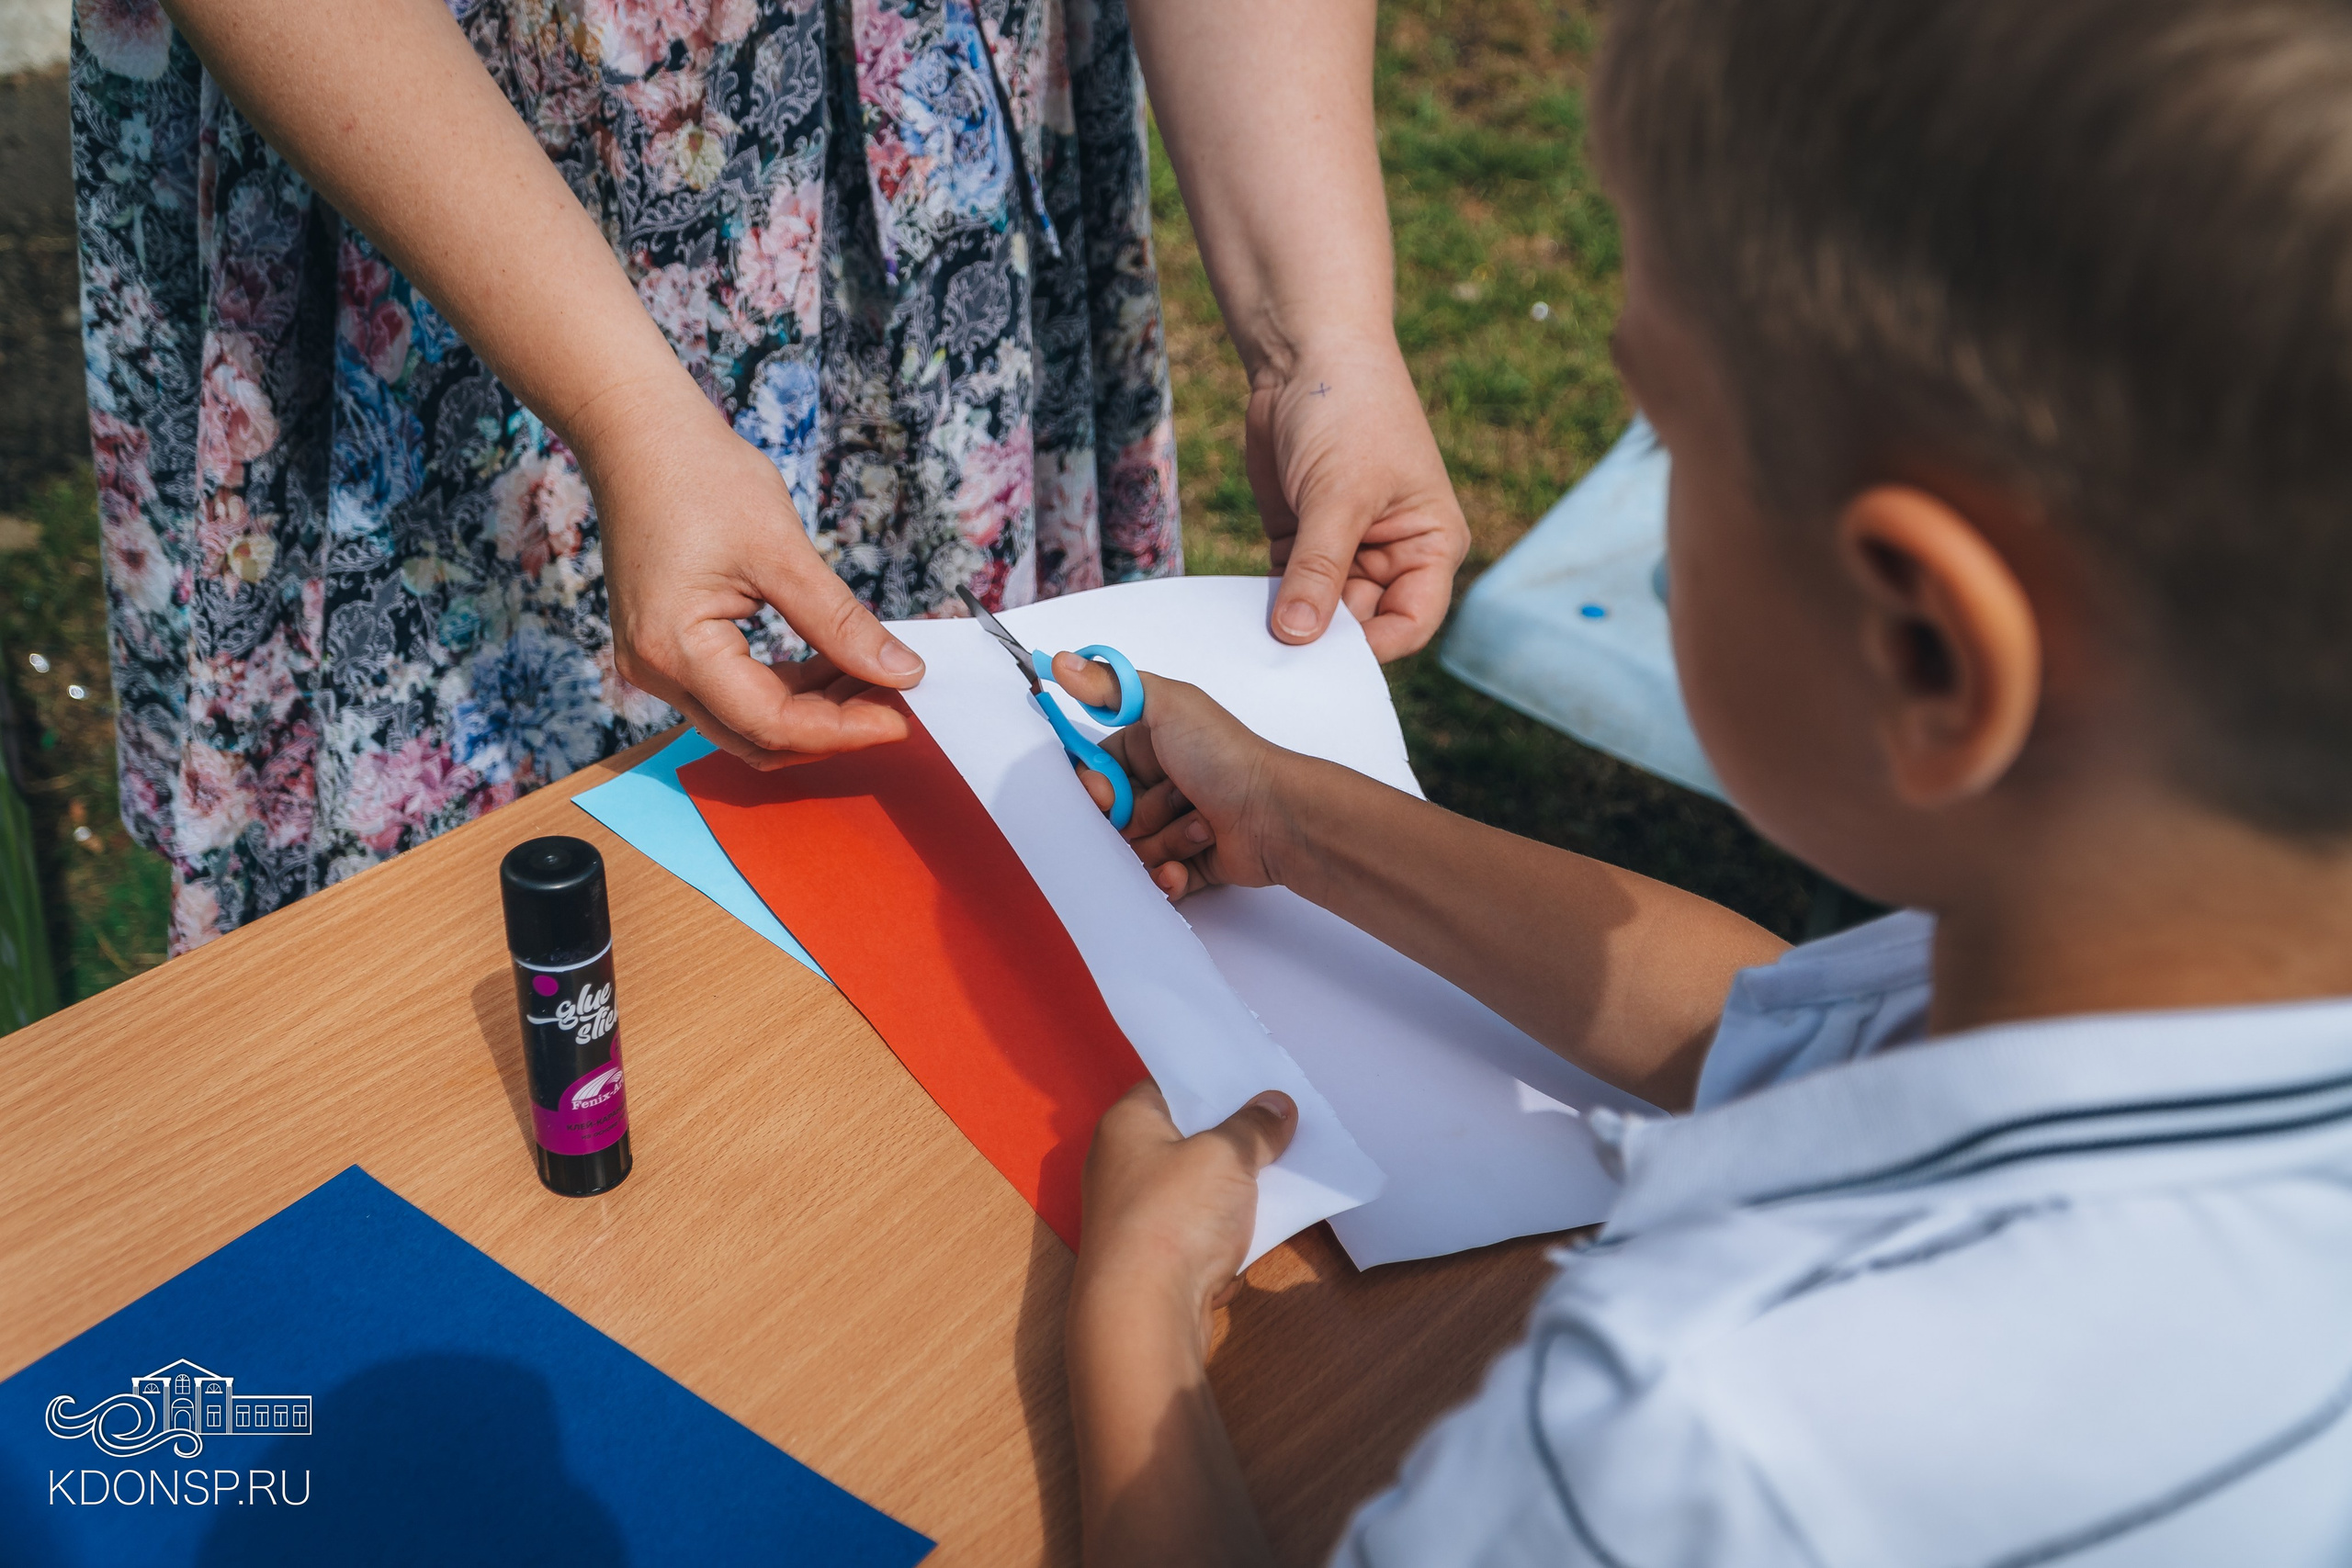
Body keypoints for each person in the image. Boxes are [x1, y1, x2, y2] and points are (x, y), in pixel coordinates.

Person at [1051, 0, 2352, 1561]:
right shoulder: (2155, 962)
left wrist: (1128, 1322)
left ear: (1929, 652)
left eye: (1664, 432)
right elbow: (1787, 1027)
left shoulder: (1692, 1443)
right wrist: (1299, 816)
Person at [71, 0, 1466, 950]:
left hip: (929, 200)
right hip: (446, 192)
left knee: (973, 946)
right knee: (471, 1020)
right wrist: (625, 411)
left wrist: (1318, 335)